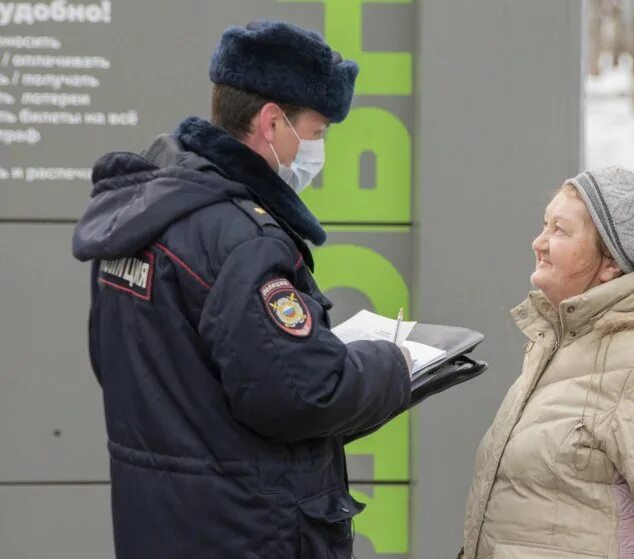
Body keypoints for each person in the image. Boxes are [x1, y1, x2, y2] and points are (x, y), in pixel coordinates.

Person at [72, 20, 412, 559]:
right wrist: (395, 365)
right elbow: (301, 394)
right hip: (246, 531)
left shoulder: (143, 210)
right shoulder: (243, 239)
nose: (319, 151)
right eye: (318, 132)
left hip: (158, 523)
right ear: (272, 122)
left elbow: (114, 361)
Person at [461, 167, 634, 558]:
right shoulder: (562, 346)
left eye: (560, 230)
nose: (538, 242)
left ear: (611, 260)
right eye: (545, 225)